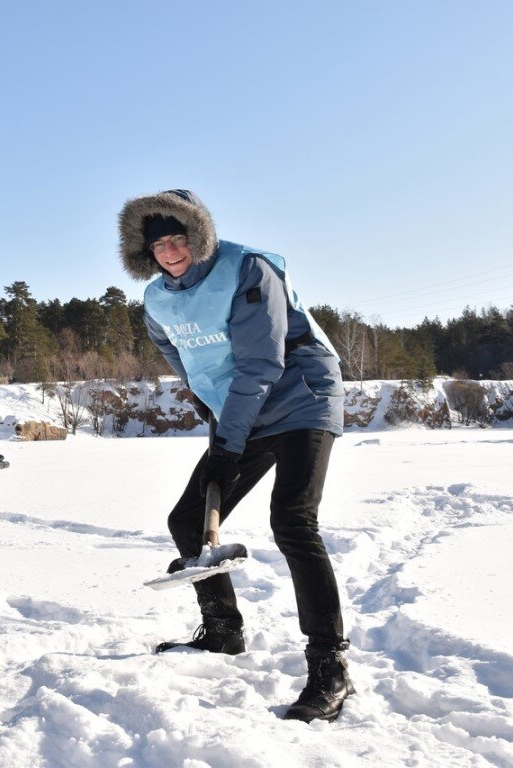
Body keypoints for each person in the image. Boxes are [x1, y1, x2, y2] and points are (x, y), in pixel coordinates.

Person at [118, 189, 355, 723]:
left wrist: (229, 440)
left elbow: (262, 362)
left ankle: (329, 666)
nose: (170, 250)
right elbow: (179, 357)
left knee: (292, 519)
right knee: (188, 519)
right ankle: (223, 630)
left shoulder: (247, 269)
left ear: (199, 236)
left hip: (300, 396)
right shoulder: (157, 298)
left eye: (179, 237)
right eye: (158, 243)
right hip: (241, 407)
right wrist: (212, 409)